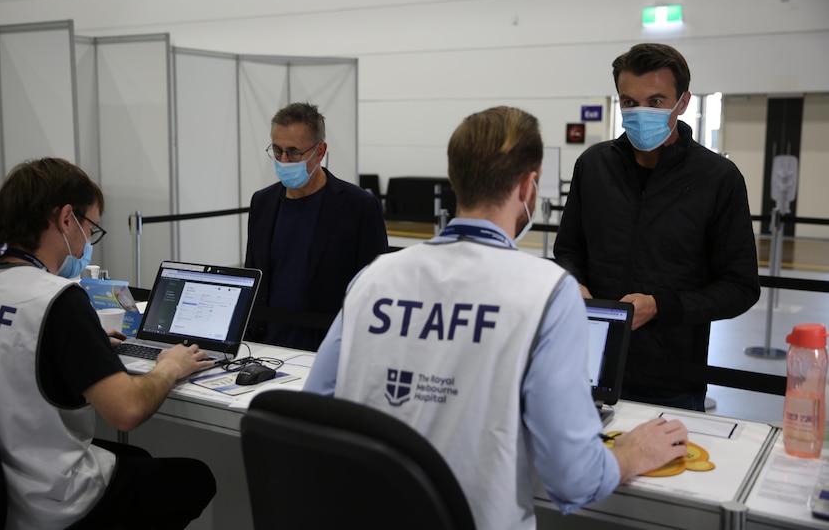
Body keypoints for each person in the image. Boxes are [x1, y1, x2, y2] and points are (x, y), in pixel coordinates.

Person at [304, 106, 689, 530]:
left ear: (453, 180)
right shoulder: (547, 290)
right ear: (528, 187)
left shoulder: (373, 278)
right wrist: (631, 453)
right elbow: (573, 479)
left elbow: (314, 410)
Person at [0, 158, 217, 529]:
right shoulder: (58, 299)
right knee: (195, 477)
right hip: (51, 501)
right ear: (66, 218)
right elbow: (126, 411)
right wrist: (169, 367)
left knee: (138, 459)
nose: (87, 241)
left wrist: (76, 344)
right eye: (90, 227)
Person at [554, 43, 760, 411]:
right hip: (588, 365)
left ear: (683, 102)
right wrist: (575, 283)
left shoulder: (717, 179)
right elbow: (569, 249)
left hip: (671, 378)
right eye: (629, 103)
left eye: (656, 101)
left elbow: (740, 287)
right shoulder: (594, 166)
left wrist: (660, 307)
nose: (640, 113)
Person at [245, 102, 389, 351]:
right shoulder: (262, 202)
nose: (284, 160)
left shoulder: (358, 206)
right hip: (264, 345)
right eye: (277, 150)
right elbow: (253, 276)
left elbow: (374, 289)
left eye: (294, 152)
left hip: (327, 348)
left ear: (320, 151)